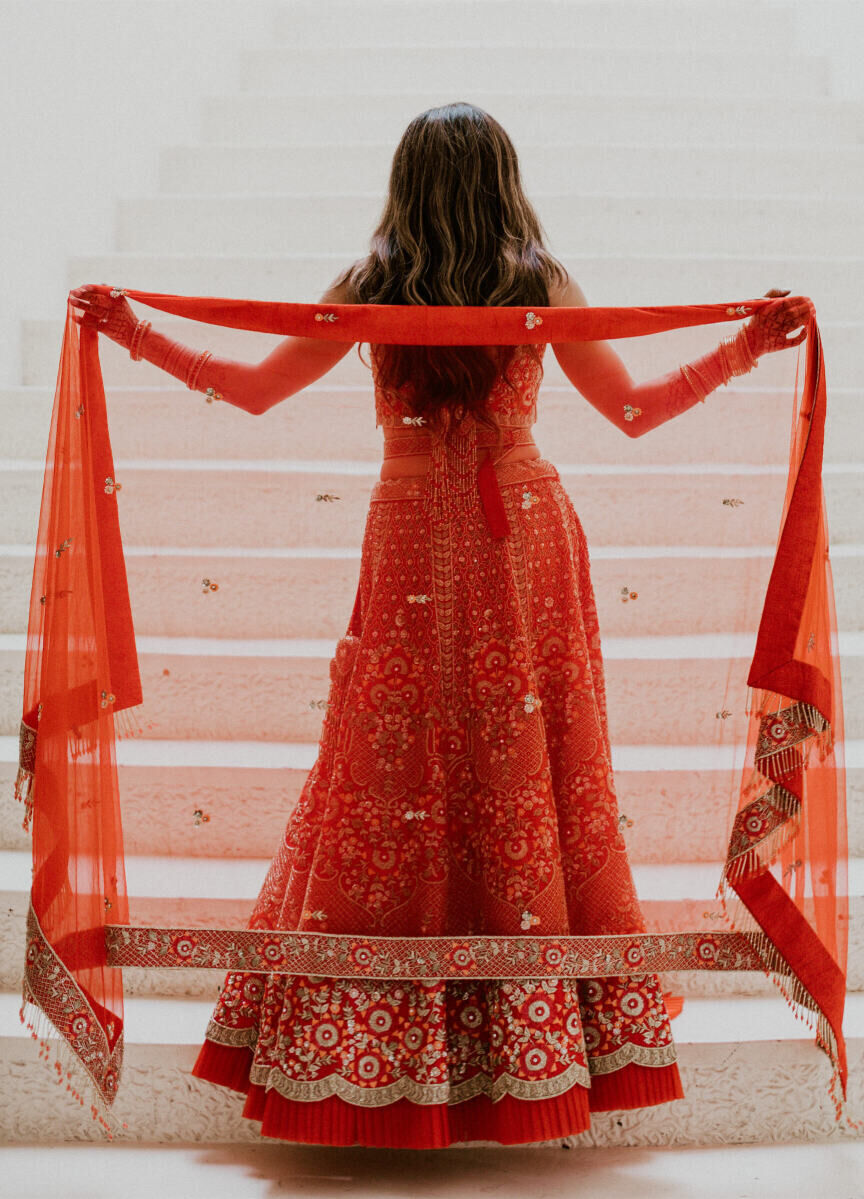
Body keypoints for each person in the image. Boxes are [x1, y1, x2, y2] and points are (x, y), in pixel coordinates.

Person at [69, 101, 811, 1149]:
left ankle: (383, 1051)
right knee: (520, 765)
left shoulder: (373, 282)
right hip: (524, 538)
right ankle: (528, 1045)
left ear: (406, 180)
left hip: (418, 531)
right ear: (505, 178)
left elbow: (249, 391)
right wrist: (743, 349)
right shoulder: (537, 279)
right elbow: (636, 409)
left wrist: (132, 331)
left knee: (394, 767)